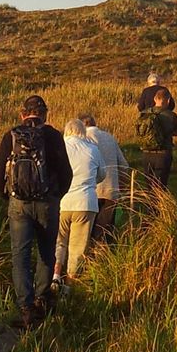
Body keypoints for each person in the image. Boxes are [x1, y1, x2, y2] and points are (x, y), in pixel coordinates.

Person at [0, 95, 73, 329]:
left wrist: (10, 198)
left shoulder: (11, 135)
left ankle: (25, 309)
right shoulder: (54, 136)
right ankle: (41, 300)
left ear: (22, 114)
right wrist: (56, 196)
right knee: (47, 252)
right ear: (45, 114)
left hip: (19, 204)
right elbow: (66, 173)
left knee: (20, 256)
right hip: (48, 202)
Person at [54, 119, 106, 282]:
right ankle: (70, 282)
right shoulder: (92, 149)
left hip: (62, 202)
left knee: (59, 240)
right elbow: (102, 174)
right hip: (86, 202)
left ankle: (56, 273)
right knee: (78, 246)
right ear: (82, 131)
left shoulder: (60, 148)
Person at [79, 114, 129, 243]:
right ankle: (105, 258)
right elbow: (124, 165)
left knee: (88, 230)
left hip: (90, 190)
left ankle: (90, 257)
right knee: (105, 230)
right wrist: (123, 186)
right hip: (111, 189)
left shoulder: (82, 139)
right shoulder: (109, 138)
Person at [136, 88, 177, 189]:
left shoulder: (144, 113)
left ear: (155, 99)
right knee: (160, 185)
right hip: (163, 154)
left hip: (146, 153)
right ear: (168, 100)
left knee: (149, 185)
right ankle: (160, 204)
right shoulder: (171, 115)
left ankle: (150, 204)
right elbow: (176, 132)